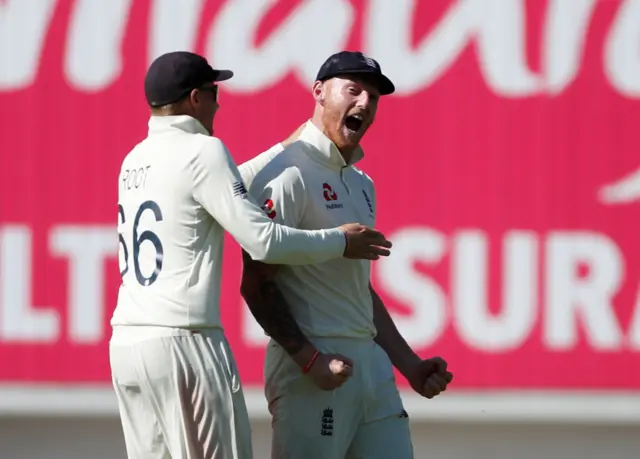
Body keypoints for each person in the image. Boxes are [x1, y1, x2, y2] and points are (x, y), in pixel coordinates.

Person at [109, 50, 393, 459]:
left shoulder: (134, 159)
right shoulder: (203, 150)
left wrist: (292, 144)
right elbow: (263, 241)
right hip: (185, 340)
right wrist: (341, 241)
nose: (218, 103)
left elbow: (226, 188)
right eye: (214, 92)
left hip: (128, 345)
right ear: (195, 98)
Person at [239, 51, 453, 459]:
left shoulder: (361, 182)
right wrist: (309, 359)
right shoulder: (284, 172)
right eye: (353, 90)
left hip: (369, 367)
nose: (364, 104)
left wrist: (408, 364)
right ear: (319, 91)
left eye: (373, 97)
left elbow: (357, 290)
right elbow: (256, 284)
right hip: (316, 371)